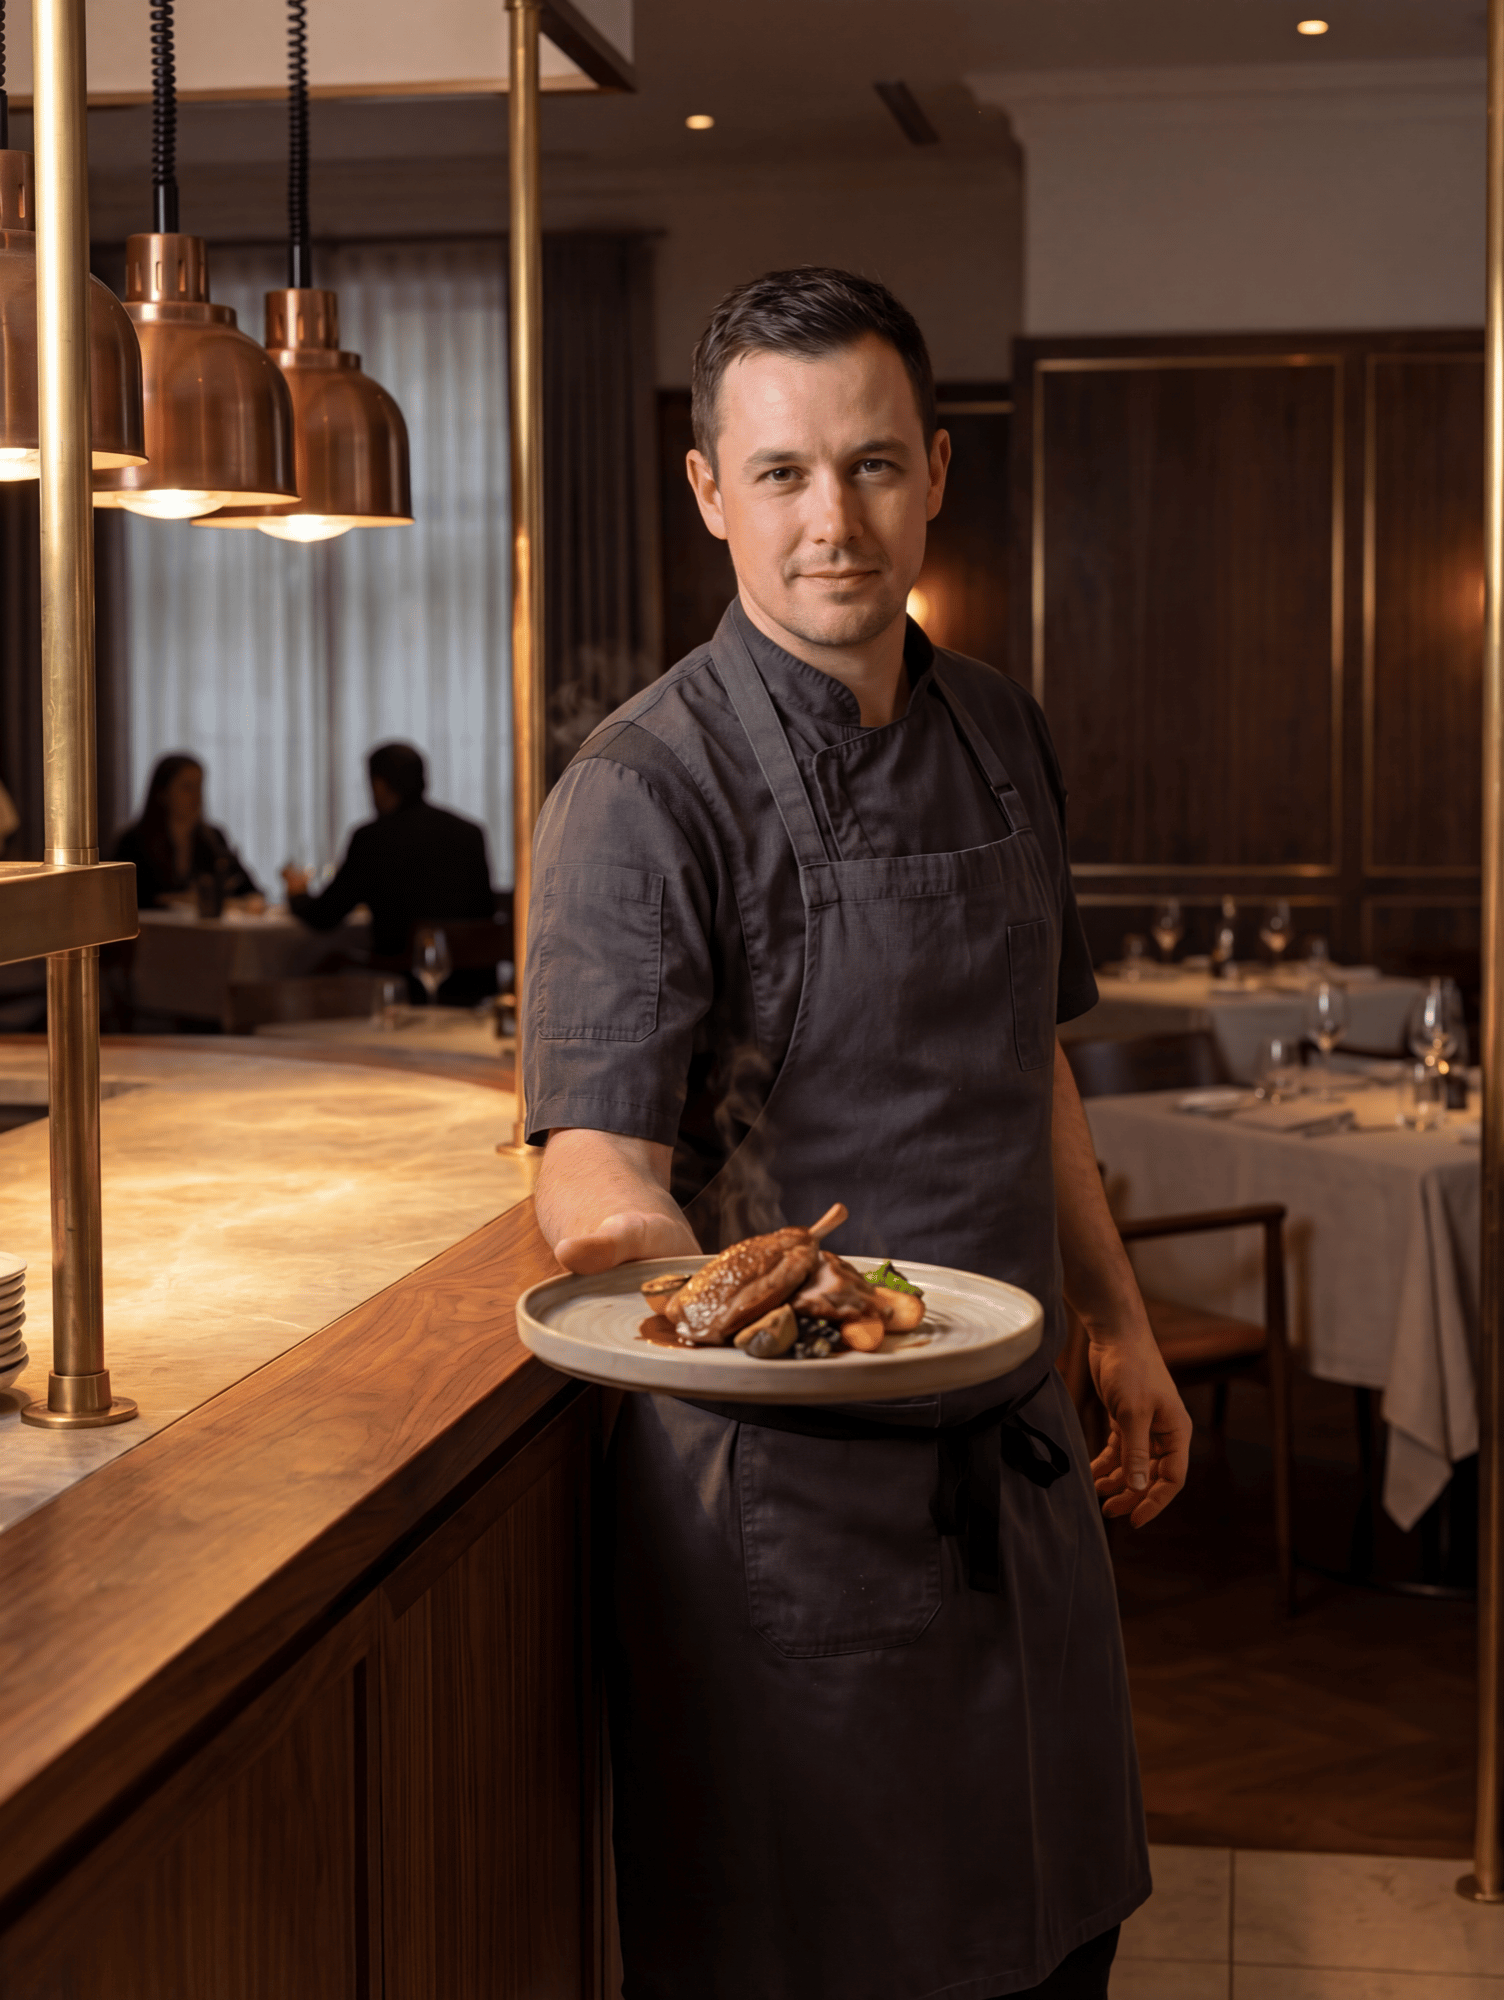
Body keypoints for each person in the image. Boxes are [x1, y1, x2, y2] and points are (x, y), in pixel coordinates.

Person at [524, 267, 1191, 2000]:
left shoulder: (1001, 737)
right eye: (784, 474)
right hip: (788, 1532)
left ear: (937, 472)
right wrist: (722, 1313)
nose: (835, 521)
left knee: (1062, 1951)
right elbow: (590, 1165)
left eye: (875, 466)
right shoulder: (638, 788)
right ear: (707, 493)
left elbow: (1026, 1056)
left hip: (1020, 1478)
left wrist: (1115, 1318)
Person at [282, 741, 495, 969]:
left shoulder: (372, 838)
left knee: (323, 966)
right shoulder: (470, 833)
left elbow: (324, 917)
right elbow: (483, 909)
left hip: (401, 976)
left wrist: (298, 894)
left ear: (379, 785)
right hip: (474, 978)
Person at [114, 754, 261, 911]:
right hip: (152, 932)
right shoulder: (133, 841)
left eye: (199, 787)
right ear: (162, 793)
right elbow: (122, 900)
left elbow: (248, 889)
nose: (196, 796)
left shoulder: (212, 838)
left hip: (205, 933)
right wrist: (178, 899)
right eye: (187, 787)